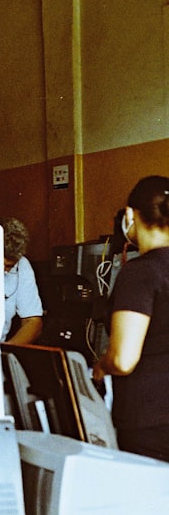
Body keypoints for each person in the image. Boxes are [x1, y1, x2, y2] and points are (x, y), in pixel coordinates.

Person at [92, 175, 169, 462]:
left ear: (129, 215)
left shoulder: (140, 273)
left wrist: (101, 366)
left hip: (149, 421)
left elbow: (124, 360)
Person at [0, 217, 44, 344]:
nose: (5, 272)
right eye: (2, 265)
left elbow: (33, 321)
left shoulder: (22, 266)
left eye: (10, 266)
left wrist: (4, 352)